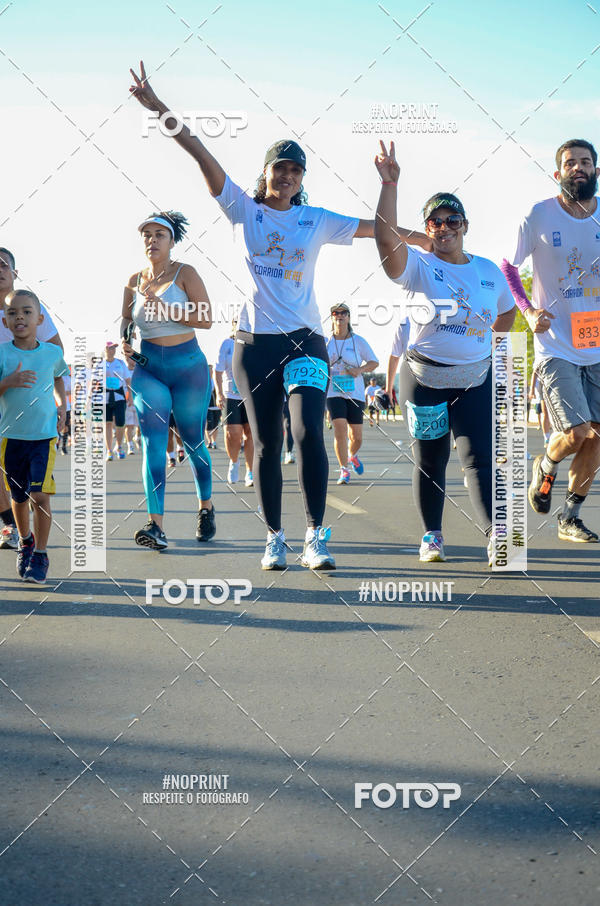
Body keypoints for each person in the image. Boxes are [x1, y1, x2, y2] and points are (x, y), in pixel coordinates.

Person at [130, 61, 408, 570]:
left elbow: (382, 231)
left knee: (306, 433)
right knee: (267, 440)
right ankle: (275, 537)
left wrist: (402, 203)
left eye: (295, 170)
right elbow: (199, 151)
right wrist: (160, 109)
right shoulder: (242, 209)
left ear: (302, 179)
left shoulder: (315, 219)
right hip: (254, 345)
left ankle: (315, 538)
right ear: (266, 173)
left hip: (305, 341)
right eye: (279, 167)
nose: (286, 175)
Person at [374, 141, 516, 563]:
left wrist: (489, 343)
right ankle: (432, 536)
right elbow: (385, 239)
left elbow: (507, 314)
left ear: (466, 224)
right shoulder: (418, 266)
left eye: (453, 219)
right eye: (435, 222)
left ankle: (497, 536)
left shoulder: (489, 271)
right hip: (425, 380)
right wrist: (389, 184)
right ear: (426, 229)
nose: (445, 226)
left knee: (479, 457)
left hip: (474, 377)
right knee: (431, 460)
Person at [502, 139, 600, 543]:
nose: (577, 167)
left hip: (596, 342)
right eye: (569, 163)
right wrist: (527, 310)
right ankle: (546, 465)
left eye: (585, 162)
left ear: (595, 170)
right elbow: (508, 266)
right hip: (555, 344)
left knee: (598, 435)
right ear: (557, 172)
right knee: (577, 433)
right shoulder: (538, 215)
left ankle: (569, 516)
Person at [121, 209, 214, 550]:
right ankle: (155, 524)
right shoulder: (133, 281)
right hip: (149, 370)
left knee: (192, 440)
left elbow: (206, 319)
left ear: (172, 241)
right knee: (153, 444)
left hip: (188, 367)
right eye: (147, 235)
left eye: (159, 234)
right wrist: (125, 343)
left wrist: (168, 310)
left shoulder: (185, 273)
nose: (152, 240)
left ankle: (205, 507)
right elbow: (125, 322)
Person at [0, 289, 67, 583]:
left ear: (40, 318)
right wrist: (8, 381)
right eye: (13, 313)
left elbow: (57, 377)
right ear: (5, 321)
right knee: (18, 496)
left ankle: (40, 554)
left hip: (43, 437)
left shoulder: (52, 352)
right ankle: (25, 540)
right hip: (11, 437)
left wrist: (63, 403)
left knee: (39, 495)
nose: (20, 318)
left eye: (27, 312)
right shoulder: (2, 353)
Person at [326, 303, 378, 484]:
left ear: (348, 317)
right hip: (333, 393)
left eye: (343, 313)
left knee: (356, 437)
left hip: (354, 393)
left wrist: (359, 369)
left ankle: (352, 455)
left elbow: (374, 362)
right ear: (332, 318)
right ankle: (344, 470)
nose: (339, 316)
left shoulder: (358, 341)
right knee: (339, 431)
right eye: (335, 313)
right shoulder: (326, 342)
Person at [215, 321, 254, 487]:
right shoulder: (227, 344)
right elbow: (217, 371)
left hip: (251, 395)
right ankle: (234, 461)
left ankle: (250, 471)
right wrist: (219, 393)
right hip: (231, 395)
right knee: (233, 433)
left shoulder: (255, 342)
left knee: (250, 433)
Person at [103, 341, 131, 461]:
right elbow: (93, 383)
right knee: (107, 424)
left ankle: (119, 446)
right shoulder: (100, 365)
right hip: (105, 397)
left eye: (114, 348)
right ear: (105, 349)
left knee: (120, 424)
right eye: (110, 348)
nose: (113, 350)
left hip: (119, 396)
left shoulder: (120, 363)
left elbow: (128, 381)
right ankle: (109, 450)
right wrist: (89, 400)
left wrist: (130, 397)